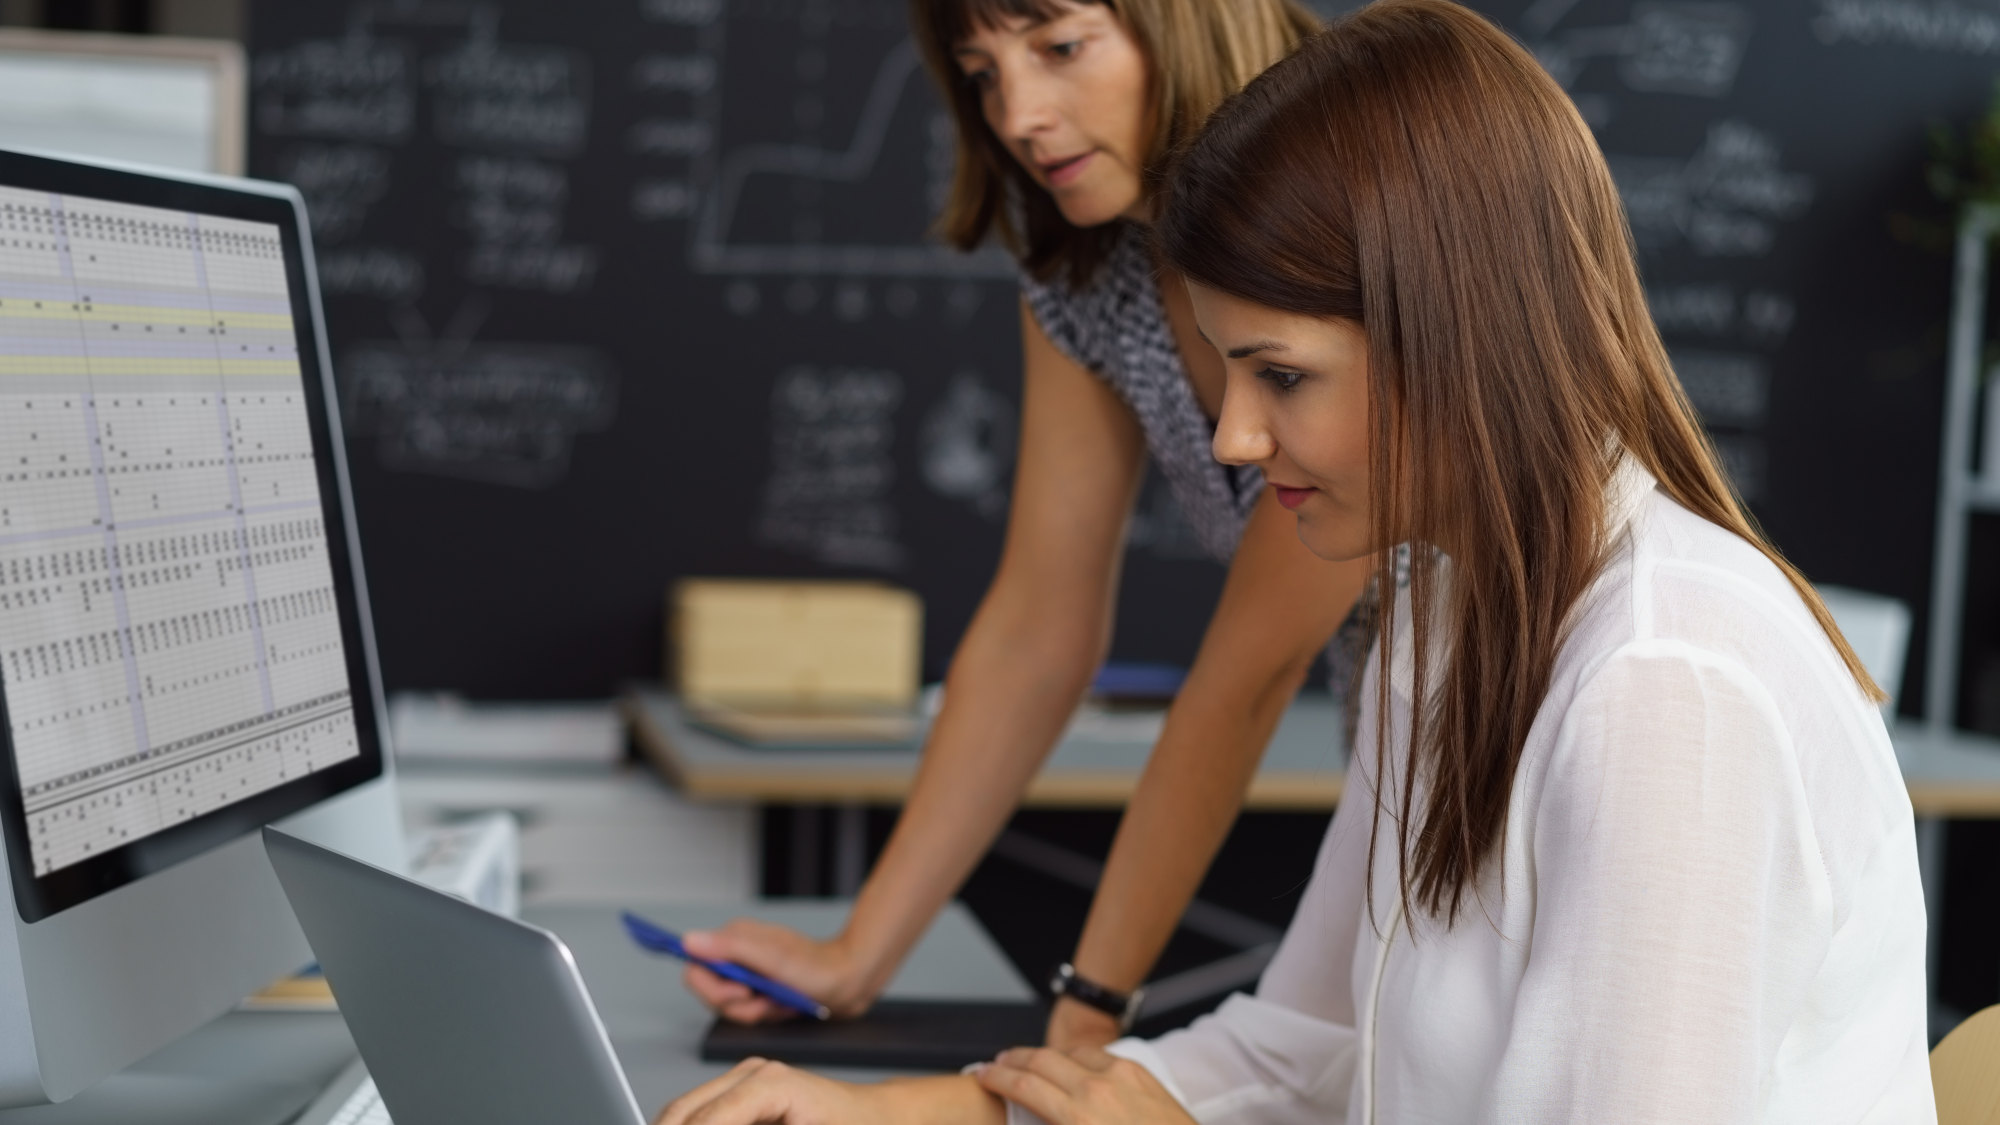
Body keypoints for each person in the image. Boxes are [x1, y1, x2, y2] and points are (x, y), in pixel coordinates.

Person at [655, 0, 1937, 1121]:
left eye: (1278, 376)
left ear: (1454, 337)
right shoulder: (1438, 620)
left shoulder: (1661, 689)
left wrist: (1095, 1030)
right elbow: (1309, 1048)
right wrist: (923, 1114)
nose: (1229, 437)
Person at [681, 0, 1372, 1053]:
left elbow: (1244, 680)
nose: (1015, 113)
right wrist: (855, 955)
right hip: (1406, 753)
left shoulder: (1349, 207)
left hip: (1545, 742)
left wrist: (1085, 1014)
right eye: (981, 72)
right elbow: (1035, 627)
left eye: (1057, 47)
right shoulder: (1091, 267)